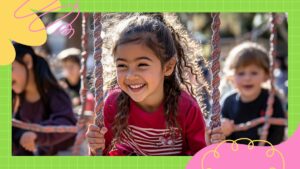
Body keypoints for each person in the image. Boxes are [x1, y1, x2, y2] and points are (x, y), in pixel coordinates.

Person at [86, 13, 224, 156]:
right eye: (122, 65)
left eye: (142, 64)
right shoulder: (113, 103)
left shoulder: (186, 107)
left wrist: (211, 147)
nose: (130, 75)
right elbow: (100, 156)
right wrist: (95, 146)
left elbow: (200, 158)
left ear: (168, 67)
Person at [12, 43, 77, 155]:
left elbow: (67, 122)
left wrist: (36, 134)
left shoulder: (53, 93)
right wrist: (21, 135)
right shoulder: (15, 98)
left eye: (10, 69)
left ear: (27, 62)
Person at [221, 42, 286, 145]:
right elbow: (223, 137)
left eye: (254, 73)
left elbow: (278, 133)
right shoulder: (228, 102)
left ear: (265, 75)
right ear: (232, 77)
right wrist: (223, 129)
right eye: (241, 73)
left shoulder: (271, 100)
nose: (247, 78)